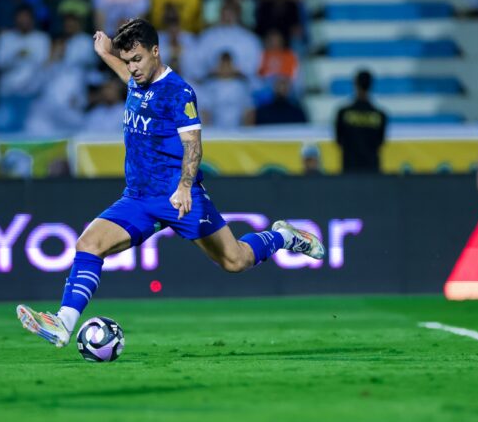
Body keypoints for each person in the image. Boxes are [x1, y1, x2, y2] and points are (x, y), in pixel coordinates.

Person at [16, 18, 324, 346]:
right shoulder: (138, 79)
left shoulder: (178, 92)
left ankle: (281, 237)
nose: (132, 68)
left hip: (178, 196)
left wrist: (185, 187)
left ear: (156, 51)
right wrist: (107, 54)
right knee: (88, 245)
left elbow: (194, 145)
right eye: (128, 60)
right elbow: (128, 78)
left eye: (137, 60)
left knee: (236, 261)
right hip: (137, 198)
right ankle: (63, 323)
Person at [335, 69, 387, 173]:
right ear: (371, 85)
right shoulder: (380, 115)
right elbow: (380, 142)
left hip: (350, 169)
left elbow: (339, 140)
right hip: (372, 170)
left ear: (355, 84)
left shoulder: (343, 113)